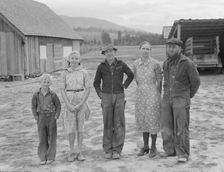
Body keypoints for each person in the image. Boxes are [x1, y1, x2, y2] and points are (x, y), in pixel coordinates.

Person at [161, 38, 200, 163]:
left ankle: (182, 153)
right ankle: (169, 150)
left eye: (173, 47)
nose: (171, 49)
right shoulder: (166, 63)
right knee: (166, 126)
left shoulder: (187, 63)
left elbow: (195, 82)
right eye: (169, 47)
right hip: (167, 98)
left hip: (181, 98)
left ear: (180, 48)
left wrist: (187, 96)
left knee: (181, 127)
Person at [93, 44, 134, 159]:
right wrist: (100, 94)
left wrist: (124, 86)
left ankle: (117, 149)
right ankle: (108, 149)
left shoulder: (121, 64)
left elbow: (131, 75)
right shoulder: (101, 66)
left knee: (119, 123)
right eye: (106, 52)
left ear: (114, 52)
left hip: (119, 96)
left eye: (111, 51)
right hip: (106, 96)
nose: (109, 54)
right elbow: (96, 83)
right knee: (107, 123)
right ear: (104, 54)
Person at [133, 41, 162, 158]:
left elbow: (159, 80)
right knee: (143, 118)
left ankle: (153, 146)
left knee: (152, 118)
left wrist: (158, 95)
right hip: (140, 94)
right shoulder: (135, 63)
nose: (145, 51)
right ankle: (145, 146)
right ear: (139, 49)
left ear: (150, 51)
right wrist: (142, 88)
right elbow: (136, 79)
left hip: (152, 93)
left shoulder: (155, 64)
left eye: (147, 49)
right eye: (143, 48)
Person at [60, 51, 91, 162]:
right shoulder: (64, 73)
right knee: (71, 128)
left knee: (80, 128)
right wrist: (68, 104)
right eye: (72, 58)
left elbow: (88, 89)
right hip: (69, 101)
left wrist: (82, 103)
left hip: (81, 101)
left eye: (76, 58)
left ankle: (79, 151)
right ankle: (71, 151)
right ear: (69, 59)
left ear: (79, 60)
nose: (74, 60)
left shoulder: (84, 72)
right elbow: (62, 89)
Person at [31, 74, 61, 165]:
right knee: (42, 138)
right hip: (41, 118)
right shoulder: (36, 95)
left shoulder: (53, 95)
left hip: (51, 117)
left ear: (50, 83)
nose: (46, 84)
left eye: (48, 82)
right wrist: (36, 117)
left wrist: (56, 116)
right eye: (44, 82)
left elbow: (58, 106)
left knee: (52, 137)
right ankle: (42, 156)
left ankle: (51, 156)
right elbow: (33, 106)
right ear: (40, 83)